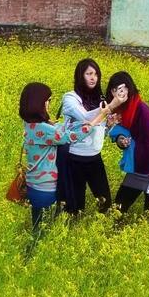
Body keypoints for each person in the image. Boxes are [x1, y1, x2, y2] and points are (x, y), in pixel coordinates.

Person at [18, 82, 96, 233]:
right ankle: (33, 253)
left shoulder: (29, 124)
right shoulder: (45, 129)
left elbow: (51, 132)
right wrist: (94, 122)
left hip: (33, 185)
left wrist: (52, 123)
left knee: (38, 226)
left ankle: (32, 251)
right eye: (48, 100)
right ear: (38, 102)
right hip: (46, 188)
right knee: (44, 232)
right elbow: (70, 137)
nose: (48, 104)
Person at [105, 71, 149, 215]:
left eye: (121, 89)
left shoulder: (142, 110)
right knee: (117, 210)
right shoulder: (119, 111)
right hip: (137, 168)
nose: (119, 93)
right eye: (114, 90)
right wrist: (121, 140)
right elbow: (122, 135)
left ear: (129, 88)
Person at [59, 58, 112, 215]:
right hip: (74, 158)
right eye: (89, 73)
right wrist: (111, 106)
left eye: (96, 74)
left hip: (95, 157)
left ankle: (104, 230)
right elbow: (86, 120)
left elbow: (100, 129)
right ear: (80, 76)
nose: (93, 77)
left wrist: (110, 125)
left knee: (106, 203)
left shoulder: (100, 99)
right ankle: (71, 231)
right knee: (75, 206)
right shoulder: (70, 98)